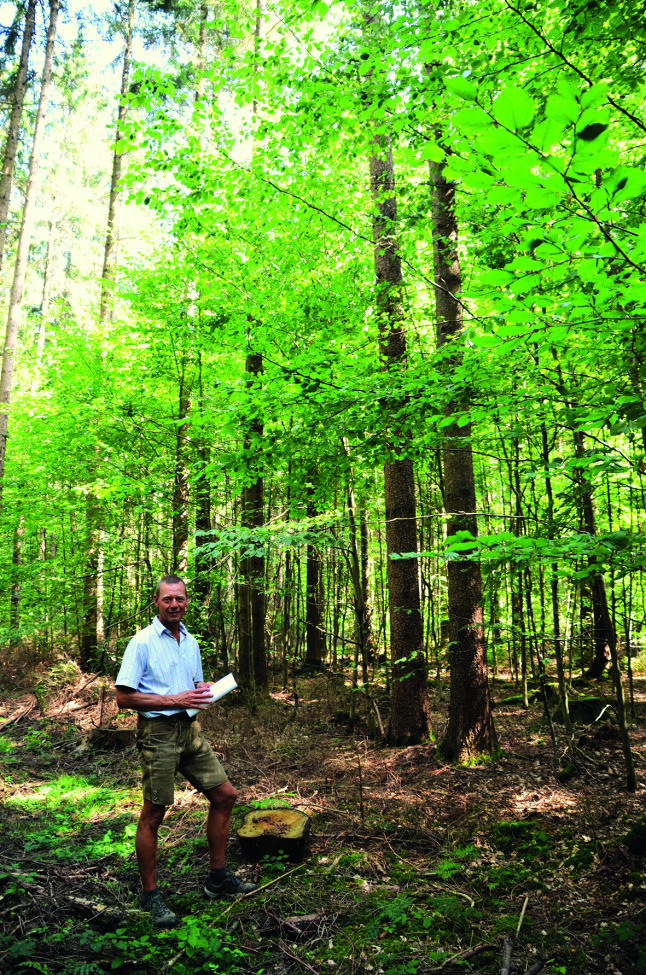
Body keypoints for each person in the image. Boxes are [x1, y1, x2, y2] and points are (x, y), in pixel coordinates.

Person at [115, 574, 256, 927]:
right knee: (154, 814)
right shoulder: (142, 642)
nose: (174, 604)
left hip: (190, 731)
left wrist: (203, 689)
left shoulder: (189, 641)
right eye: (167, 599)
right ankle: (150, 897)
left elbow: (192, 685)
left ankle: (217, 878)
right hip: (158, 733)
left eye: (180, 599)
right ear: (156, 601)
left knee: (225, 795)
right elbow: (123, 697)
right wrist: (173, 698)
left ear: (186, 601)